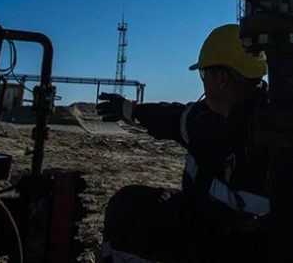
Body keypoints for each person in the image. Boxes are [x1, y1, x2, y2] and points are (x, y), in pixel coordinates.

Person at [97, 24, 270, 263]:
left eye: (204, 74)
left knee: (127, 209)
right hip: (210, 226)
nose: (203, 82)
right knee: (131, 204)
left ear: (222, 79)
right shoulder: (209, 118)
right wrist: (128, 109)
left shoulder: (256, 135)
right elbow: (170, 118)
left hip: (229, 245)